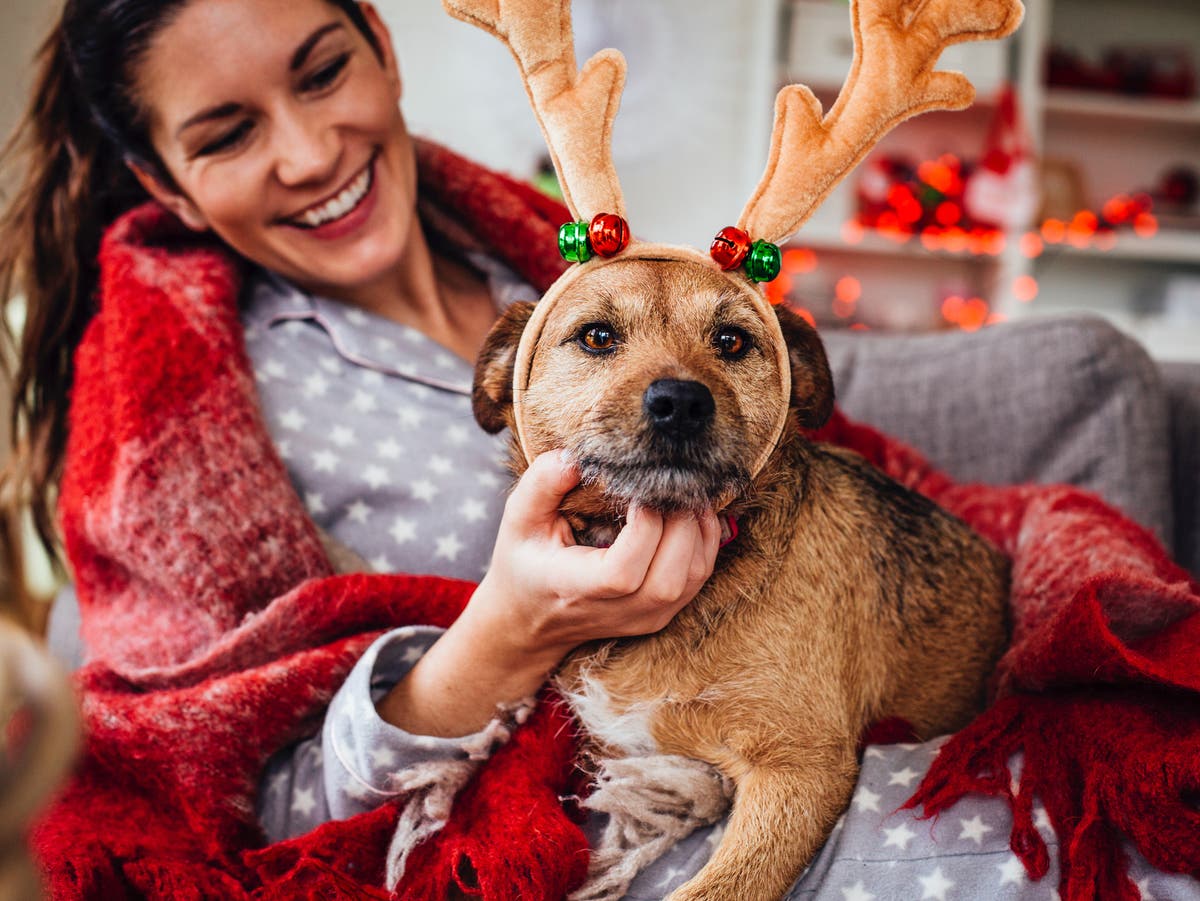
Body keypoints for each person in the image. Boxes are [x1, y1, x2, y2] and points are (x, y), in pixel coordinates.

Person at [2, 2, 1194, 900]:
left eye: (324, 72)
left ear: (384, 52)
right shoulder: (173, 429)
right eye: (227, 133)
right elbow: (242, 798)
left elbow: (827, 462)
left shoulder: (553, 255)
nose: (310, 153)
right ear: (167, 180)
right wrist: (509, 630)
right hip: (545, 806)